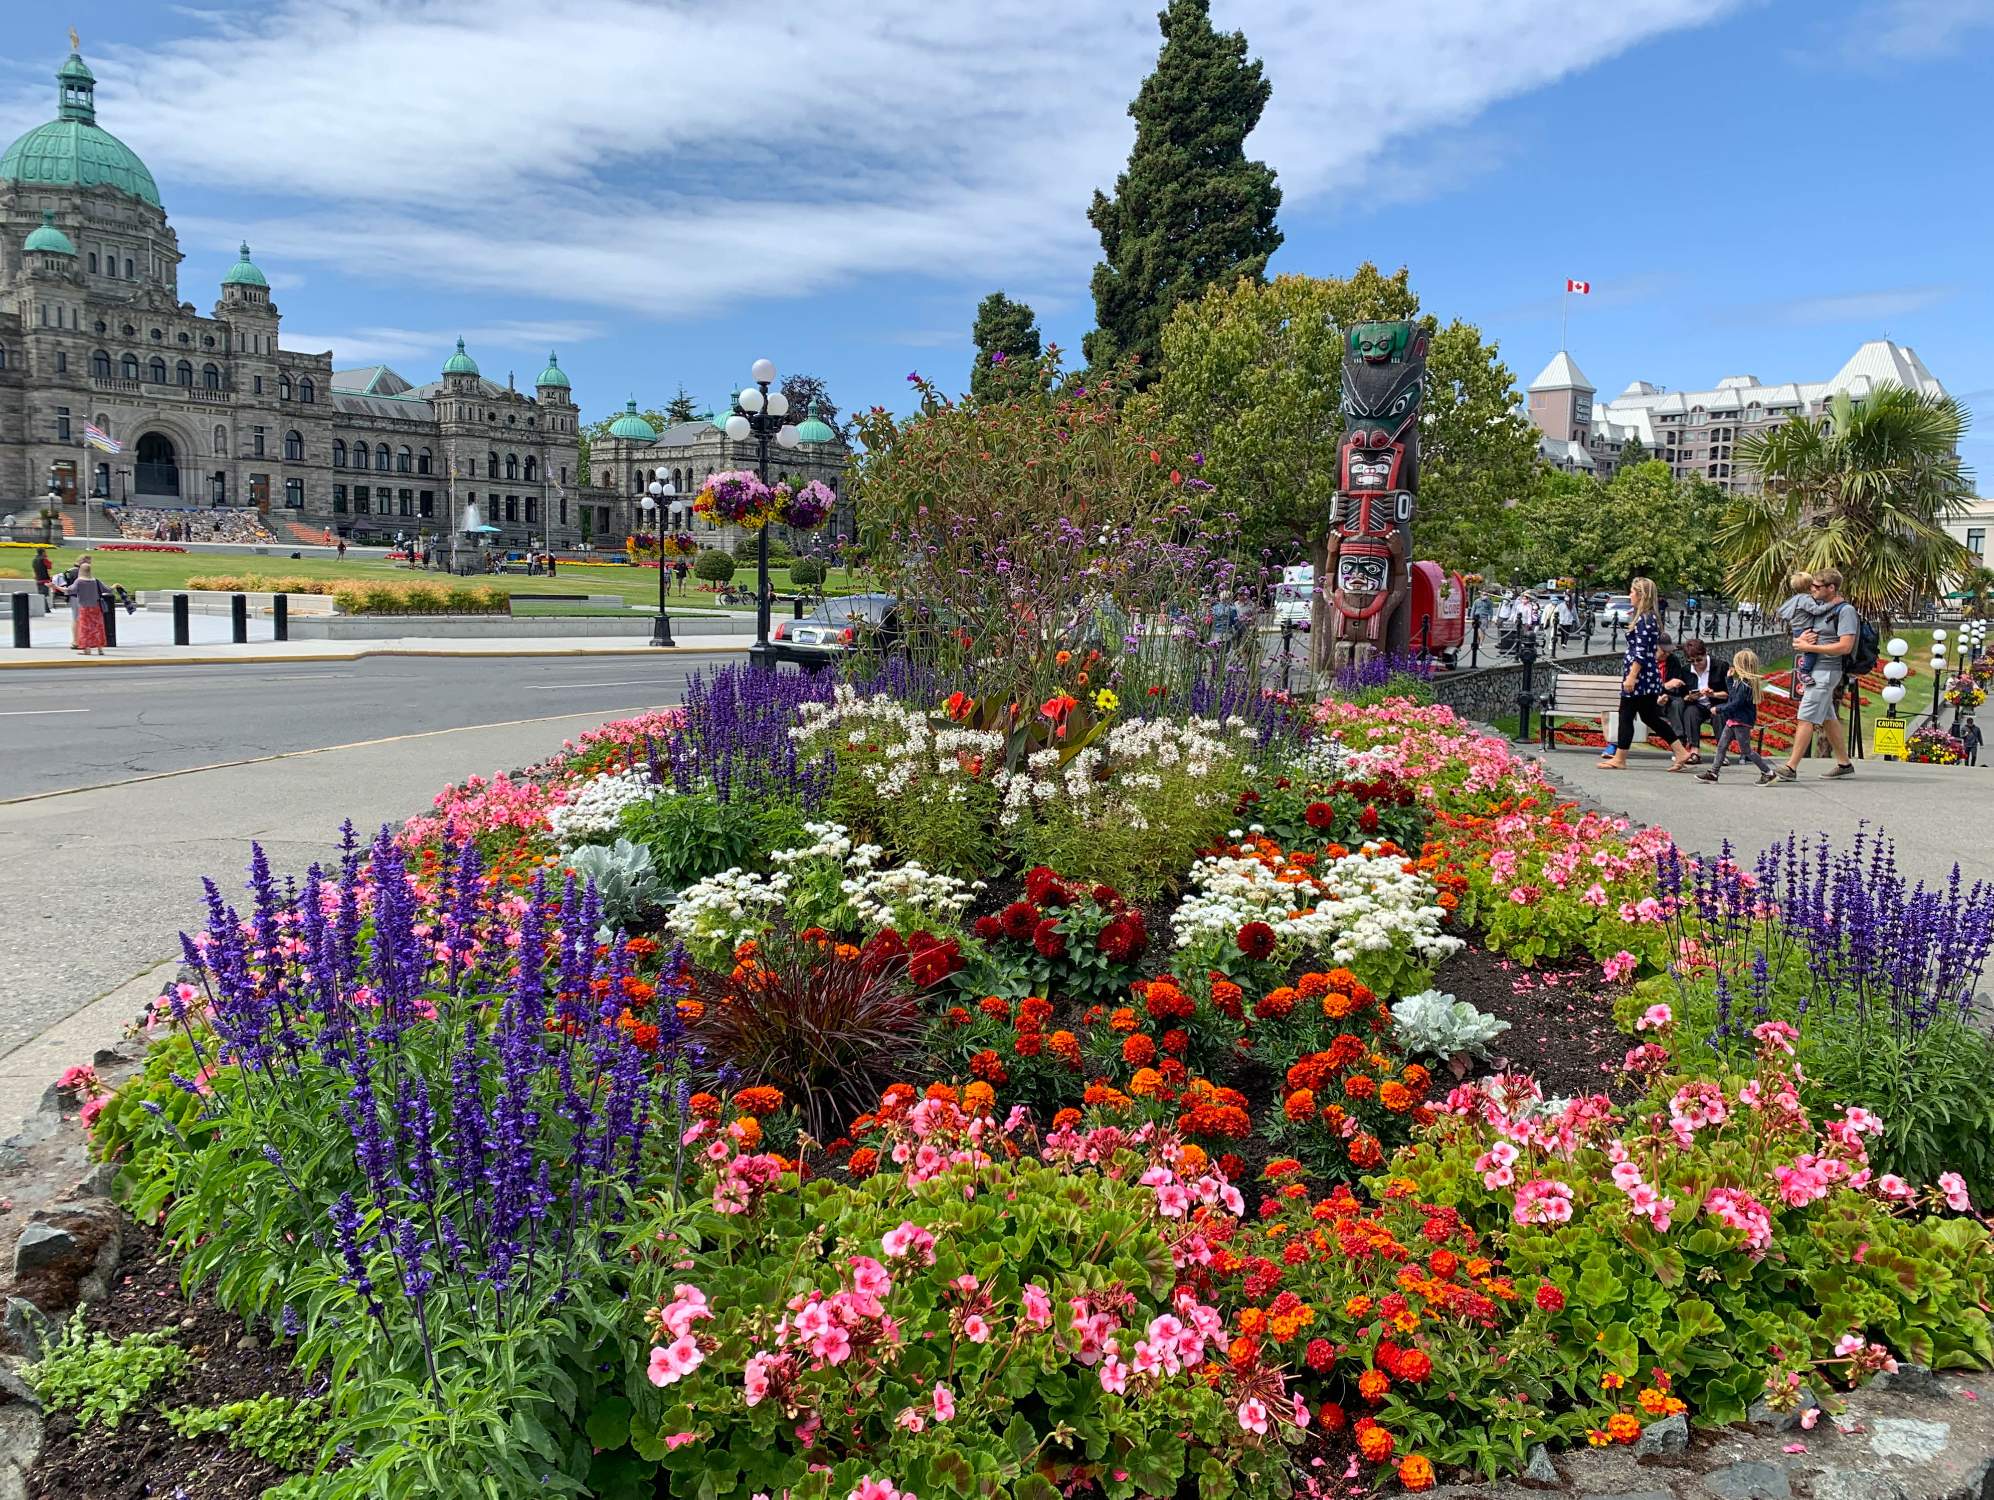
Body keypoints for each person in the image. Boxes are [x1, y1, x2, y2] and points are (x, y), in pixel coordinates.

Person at [1772, 568, 1859, 781]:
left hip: (1827, 670)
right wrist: (1802, 643)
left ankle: (1791, 767)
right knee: (1828, 717)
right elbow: (1802, 637)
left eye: (1817, 586)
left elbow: (1845, 646)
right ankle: (1844, 763)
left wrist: (1813, 648)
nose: (1812, 589)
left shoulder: (1845, 610)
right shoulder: (1818, 607)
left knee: (1806, 716)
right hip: (1817, 668)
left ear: (1831, 588)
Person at [1599, 577, 1693, 771]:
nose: (1630, 595)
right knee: (1650, 717)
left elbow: (1641, 651)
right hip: (1648, 676)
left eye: (1633, 592)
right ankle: (1680, 751)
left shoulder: (1645, 619)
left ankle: (1620, 758)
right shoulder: (1649, 618)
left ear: (1641, 595)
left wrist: (1632, 676)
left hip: (1640, 677)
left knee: (1626, 715)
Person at [1698, 649, 1777, 784]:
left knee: (1746, 750)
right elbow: (1733, 696)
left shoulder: (1745, 685)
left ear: (1741, 665)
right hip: (1734, 720)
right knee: (1721, 746)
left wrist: (1718, 709)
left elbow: (1735, 703)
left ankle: (1768, 772)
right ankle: (1713, 773)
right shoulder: (1742, 682)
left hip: (1741, 721)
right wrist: (1729, 680)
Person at [1660, 637, 1729, 761]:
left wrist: (1713, 694)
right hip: (1697, 705)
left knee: (1718, 713)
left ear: (1705, 653)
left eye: (1699, 660)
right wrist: (1690, 697)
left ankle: (1721, 752)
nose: (1696, 664)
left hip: (1717, 703)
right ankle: (1694, 750)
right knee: (1690, 712)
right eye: (1692, 661)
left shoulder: (1720, 666)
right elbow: (1682, 695)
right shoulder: (1686, 671)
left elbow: (1728, 694)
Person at [1775, 571, 1824, 690]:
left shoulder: (1796, 598)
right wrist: (1830, 605)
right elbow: (1816, 611)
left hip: (1798, 629)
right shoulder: (1805, 599)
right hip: (1805, 628)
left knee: (1807, 652)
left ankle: (1805, 670)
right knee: (1811, 652)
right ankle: (1805, 672)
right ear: (1809, 586)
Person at [68, 556, 107, 655]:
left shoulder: (79, 580)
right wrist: (115, 586)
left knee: (85, 628)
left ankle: (87, 649)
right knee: (97, 627)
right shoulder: (95, 580)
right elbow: (107, 589)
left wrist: (55, 587)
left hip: (84, 607)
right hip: (96, 607)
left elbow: (70, 590)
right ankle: (100, 649)